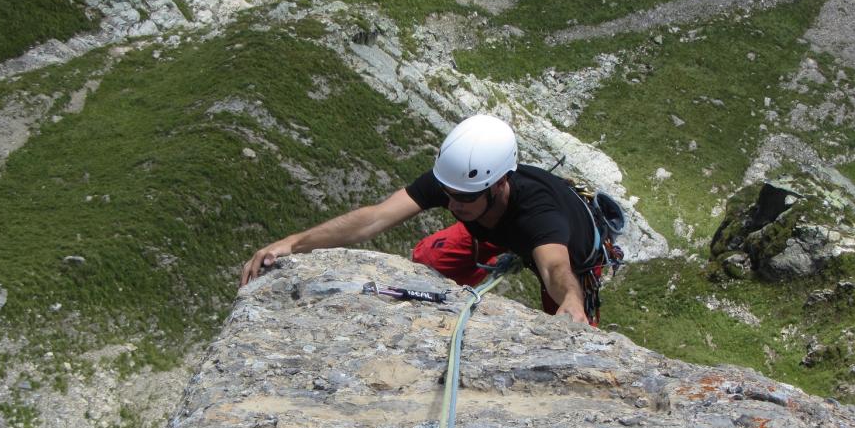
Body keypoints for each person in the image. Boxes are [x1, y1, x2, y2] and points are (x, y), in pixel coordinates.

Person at [240, 114, 598, 325]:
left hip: (565, 252)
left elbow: (554, 268)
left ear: (500, 184)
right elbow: (374, 219)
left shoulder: (539, 213)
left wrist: (571, 299)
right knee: (428, 258)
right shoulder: (459, 184)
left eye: (465, 197)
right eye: (448, 194)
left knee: (568, 323)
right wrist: (294, 242)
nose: (453, 204)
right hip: (496, 230)